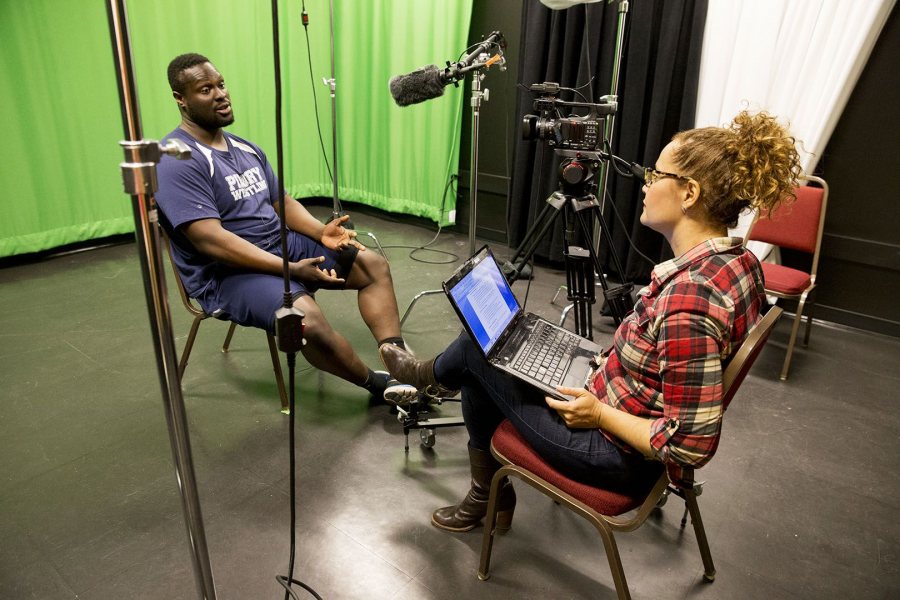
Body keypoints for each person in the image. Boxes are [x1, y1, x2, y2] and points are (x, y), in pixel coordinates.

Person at [380, 110, 802, 532]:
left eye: (656, 175)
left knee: (479, 349)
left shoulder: (690, 299)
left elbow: (689, 445)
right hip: (609, 393)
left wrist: (598, 414)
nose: (646, 183)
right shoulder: (739, 261)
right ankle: (477, 477)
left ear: (688, 192)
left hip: (612, 455)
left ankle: (434, 390)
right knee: (502, 347)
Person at [156, 53, 413, 402]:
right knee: (305, 319)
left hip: (280, 247)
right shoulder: (175, 158)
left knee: (371, 264)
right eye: (205, 89)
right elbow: (210, 241)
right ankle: (379, 386)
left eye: (221, 84)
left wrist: (318, 232)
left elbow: (282, 202)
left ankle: (399, 360)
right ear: (180, 99)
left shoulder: (244, 147)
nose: (220, 94)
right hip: (227, 273)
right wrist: (292, 270)